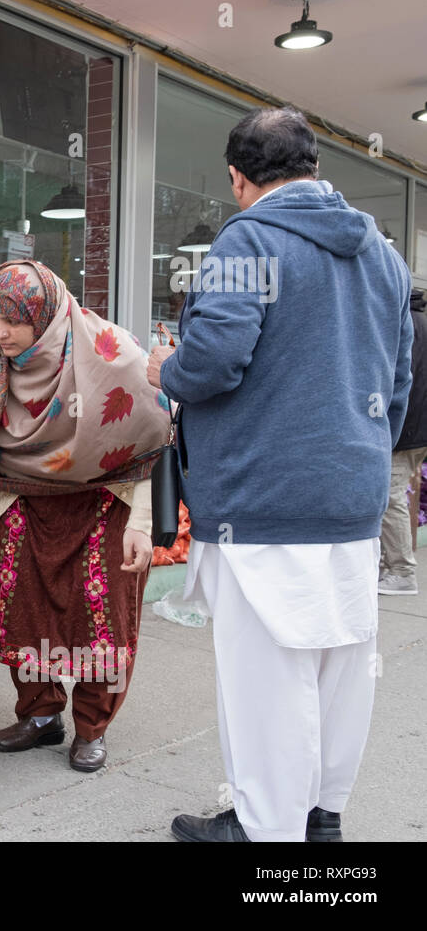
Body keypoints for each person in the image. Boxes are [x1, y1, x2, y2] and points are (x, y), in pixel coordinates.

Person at [151, 106, 413, 842]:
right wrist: (354, 456)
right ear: (314, 169)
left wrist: (161, 367)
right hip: (351, 498)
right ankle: (321, 816)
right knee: (340, 668)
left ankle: (266, 834)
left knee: (267, 679)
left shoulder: (248, 239)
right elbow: (397, 385)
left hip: (261, 500)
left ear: (239, 179)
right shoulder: (384, 256)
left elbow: (211, 362)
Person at [0, 259, 166, 773]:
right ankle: (41, 715)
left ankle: (92, 726)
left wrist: (142, 523)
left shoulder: (111, 354)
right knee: (23, 609)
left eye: (13, 321)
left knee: (101, 618)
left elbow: (156, 439)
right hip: (21, 500)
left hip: (103, 500)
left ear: (44, 317)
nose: (0, 333)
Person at [378, 287, 427, 595]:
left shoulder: (402, 322)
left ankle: (401, 570)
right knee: (397, 492)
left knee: (389, 496)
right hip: (419, 427)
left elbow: (398, 378)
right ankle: (391, 565)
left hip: (407, 426)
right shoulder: (421, 320)